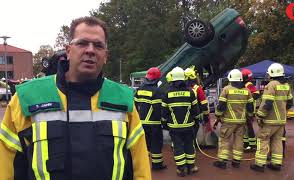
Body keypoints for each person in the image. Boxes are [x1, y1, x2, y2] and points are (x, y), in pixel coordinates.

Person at [0, 16, 151, 180]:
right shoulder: (26, 98)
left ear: (106, 55)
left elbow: (140, 169)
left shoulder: (123, 99)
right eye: (82, 43)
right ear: (68, 50)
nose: (91, 50)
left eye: (98, 45)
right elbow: (6, 164)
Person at [250, 63, 293, 172]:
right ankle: (276, 163)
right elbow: (290, 103)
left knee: (262, 139)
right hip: (281, 120)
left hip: (270, 120)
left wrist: (260, 114)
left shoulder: (272, 85)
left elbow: (267, 103)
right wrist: (283, 112)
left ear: (272, 73)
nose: (268, 76)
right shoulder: (286, 85)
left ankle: (259, 164)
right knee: (277, 141)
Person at [162, 67, 200, 177]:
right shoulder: (190, 92)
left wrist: (164, 123)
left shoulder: (167, 93)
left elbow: (164, 112)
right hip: (189, 126)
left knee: (178, 147)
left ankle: (181, 169)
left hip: (174, 127)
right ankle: (191, 167)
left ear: (173, 79)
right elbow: (195, 110)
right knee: (189, 145)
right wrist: (196, 120)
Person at [213, 69, 254, 169]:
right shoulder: (247, 91)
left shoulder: (226, 89)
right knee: (239, 141)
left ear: (230, 78)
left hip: (228, 121)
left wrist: (217, 116)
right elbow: (250, 107)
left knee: (224, 140)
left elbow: (221, 106)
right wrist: (249, 116)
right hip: (241, 122)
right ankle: (236, 161)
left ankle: (222, 161)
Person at [134, 67, 167, 170]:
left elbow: (134, 104)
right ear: (157, 78)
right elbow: (157, 109)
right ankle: (157, 165)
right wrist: (162, 120)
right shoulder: (157, 91)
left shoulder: (139, 89)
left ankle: (142, 165)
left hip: (141, 122)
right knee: (156, 144)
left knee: (145, 145)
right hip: (154, 123)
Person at [184, 67, 210, 144]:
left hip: (181, 114)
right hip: (194, 115)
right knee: (193, 129)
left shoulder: (179, 88)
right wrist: (206, 116)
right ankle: (191, 144)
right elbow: (204, 104)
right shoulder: (197, 89)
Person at [241, 68, 260, 152]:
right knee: (244, 128)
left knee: (249, 127)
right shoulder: (242, 84)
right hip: (244, 110)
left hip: (249, 110)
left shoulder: (248, 84)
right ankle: (246, 144)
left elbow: (256, 94)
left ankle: (252, 145)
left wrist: (247, 97)